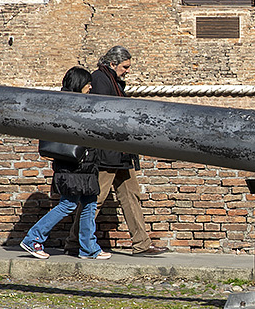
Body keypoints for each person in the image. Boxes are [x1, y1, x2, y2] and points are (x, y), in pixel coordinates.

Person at [20, 67, 110, 260]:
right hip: (73, 165)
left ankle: (89, 249)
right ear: (79, 84)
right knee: (68, 204)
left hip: (86, 166)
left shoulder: (76, 103)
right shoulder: (69, 104)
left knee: (89, 204)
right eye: (87, 83)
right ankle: (33, 238)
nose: (91, 86)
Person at [87, 46, 165, 256]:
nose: (127, 71)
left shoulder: (112, 80)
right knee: (96, 199)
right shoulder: (101, 79)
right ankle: (76, 242)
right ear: (113, 64)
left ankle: (142, 243)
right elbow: (105, 113)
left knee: (132, 196)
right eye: (125, 67)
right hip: (107, 153)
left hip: (120, 153)